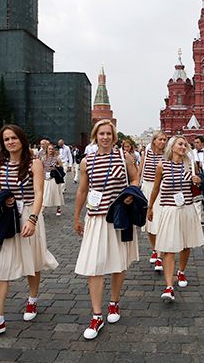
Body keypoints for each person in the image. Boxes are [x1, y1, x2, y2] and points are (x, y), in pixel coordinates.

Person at [0, 125, 59, 340]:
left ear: (21, 139)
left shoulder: (34, 163)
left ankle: (32, 299)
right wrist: (3, 198)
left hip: (28, 213)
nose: (10, 142)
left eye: (13, 138)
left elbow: (39, 193)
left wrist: (33, 219)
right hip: (7, 216)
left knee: (33, 260)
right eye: (6, 139)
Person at [73, 119, 139, 340]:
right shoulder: (86, 161)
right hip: (95, 218)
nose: (105, 137)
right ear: (95, 136)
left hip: (118, 217)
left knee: (118, 263)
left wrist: (131, 192)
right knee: (94, 266)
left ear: (114, 136)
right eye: (101, 134)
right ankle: (96, 315)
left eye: (108, 134)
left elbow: (136, 177)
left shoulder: (124, 157)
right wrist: (76, 216)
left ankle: (114, 302)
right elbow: (82, 190)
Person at [147, 135, 204, 302]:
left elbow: (198, 183)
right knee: (168, 248)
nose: (183, 146)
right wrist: (150, 207)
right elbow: (156, 188)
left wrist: (197, 180)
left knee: (185, 245)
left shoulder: (190, 165)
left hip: (186, 208)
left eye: (185, 144)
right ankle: (168, 286)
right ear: (172, 147)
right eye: (180, 144)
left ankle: (181, 271)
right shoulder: (162, 165)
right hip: (169, 210)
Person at [137, 131, 167, 271]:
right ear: (154, 141)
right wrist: (136, 185)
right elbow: (140, 170)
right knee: (150, 223)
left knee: (160, 222)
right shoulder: (146, 153)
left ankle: (160, 255)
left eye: (164, 140)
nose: (162, 142)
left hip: (162, 189)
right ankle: (155, 249)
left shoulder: (167, 155)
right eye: (160, 139)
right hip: (147, 188)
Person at [41, 143, 65, 216]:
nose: (51, 150)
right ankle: (42, 210)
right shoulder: (43, 158)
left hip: (54, 178)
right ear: (47, 150)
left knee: (56, 193)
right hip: (46, 178)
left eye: (52, 149)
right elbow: (41, 168)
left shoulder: (57, 158)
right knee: (45, 194)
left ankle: (58, 207)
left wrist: (56, 167)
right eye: (49, 149)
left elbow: (61, 167)